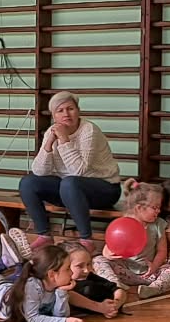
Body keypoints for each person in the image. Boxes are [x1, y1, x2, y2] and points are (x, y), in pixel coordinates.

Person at [18, 91, 122, 248]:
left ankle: (86, 240)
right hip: (69, 190)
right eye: (60, 110)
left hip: (105, 189)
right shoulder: (52, 131)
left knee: (69, 182)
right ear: (54, 116)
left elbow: (79, 171)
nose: (66, 114)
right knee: (28, 182)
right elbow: (39, 171)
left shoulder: (89, 130)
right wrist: (49, 144)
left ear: (78, 111)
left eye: (70, 109)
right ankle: (44, 235)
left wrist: (64, 140)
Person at [0, 243, 91, 322]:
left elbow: (60, 317)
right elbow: (33, 318)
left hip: (0, 287)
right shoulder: (33, 286)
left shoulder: (56, 287)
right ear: (52, 275)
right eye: (67, 269)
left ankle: (8, 262)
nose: (71, 273)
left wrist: (62, 293)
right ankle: (7, 262)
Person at [90, 184, 170, 298]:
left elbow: (162, 251)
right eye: (155, 208)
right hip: (125, 272)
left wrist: (154, 266)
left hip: (149, 274)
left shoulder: (158, 224)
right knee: (98, 260)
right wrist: (107, 254)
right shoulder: (124, 222)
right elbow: (110, 245)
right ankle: (115, 284)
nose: (158, 211)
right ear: (139, 208)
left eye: (159, 207)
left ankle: (153, 289)